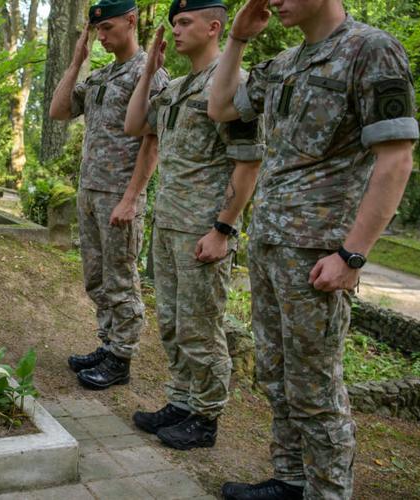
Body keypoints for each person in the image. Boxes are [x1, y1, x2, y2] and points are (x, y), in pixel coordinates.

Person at [207, 0, 418, 498]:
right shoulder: (284, 63)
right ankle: (289, 479)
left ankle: (327, 493)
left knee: (317, 391)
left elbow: (396, 160)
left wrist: (352, 255)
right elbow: (220, 108)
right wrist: (236, 40)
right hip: (271, 245)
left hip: (319, 255)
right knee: (278, 377)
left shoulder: (372, 51)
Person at [123, 0, 263, 451]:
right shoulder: (179, 86)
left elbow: (248, 164)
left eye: (185, 22)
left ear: (213, 27)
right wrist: (150, 70)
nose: (176, 30)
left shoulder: (232, 84)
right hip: (168, 225)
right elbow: (134, 126)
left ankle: (205, 416)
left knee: (202, 328)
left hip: (203, 228)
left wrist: (223, 229)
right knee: (172, 323)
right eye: (174, 23)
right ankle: (180, 402)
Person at [49, 0, 168, 390]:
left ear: (131, 22)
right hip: (91, 192)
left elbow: (151, 143)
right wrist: (76, 60)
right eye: (96, 31)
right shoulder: (100, 76)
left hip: (120, 193)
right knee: (96, 278)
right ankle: (109, 344)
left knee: (121, 278)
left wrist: (133, 197)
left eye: (107, 29)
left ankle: (123, 356)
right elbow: (60, 111)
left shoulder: (148, 73)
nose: (101, 37)